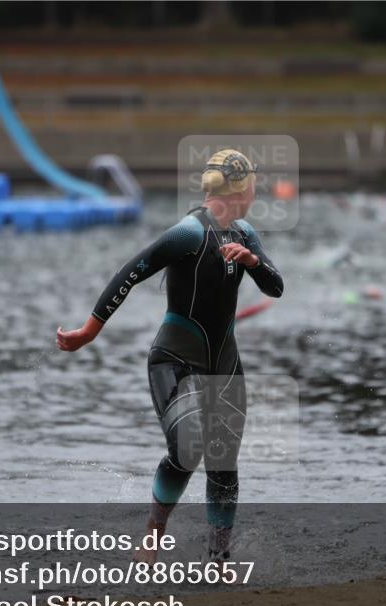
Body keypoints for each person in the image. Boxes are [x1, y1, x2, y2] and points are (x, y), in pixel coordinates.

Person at [57, 149, 284, 563]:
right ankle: (155, 529)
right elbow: (134, 268)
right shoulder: (189, 232)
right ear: (241, 188)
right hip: (175, 359)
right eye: (253, 185)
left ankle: (218, 560)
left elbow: (276, 287)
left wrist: (252, 261)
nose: (255, 192)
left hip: (225, 364)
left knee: (223, 464)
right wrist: (91, 330)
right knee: (188, 445)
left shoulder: (246, 234)